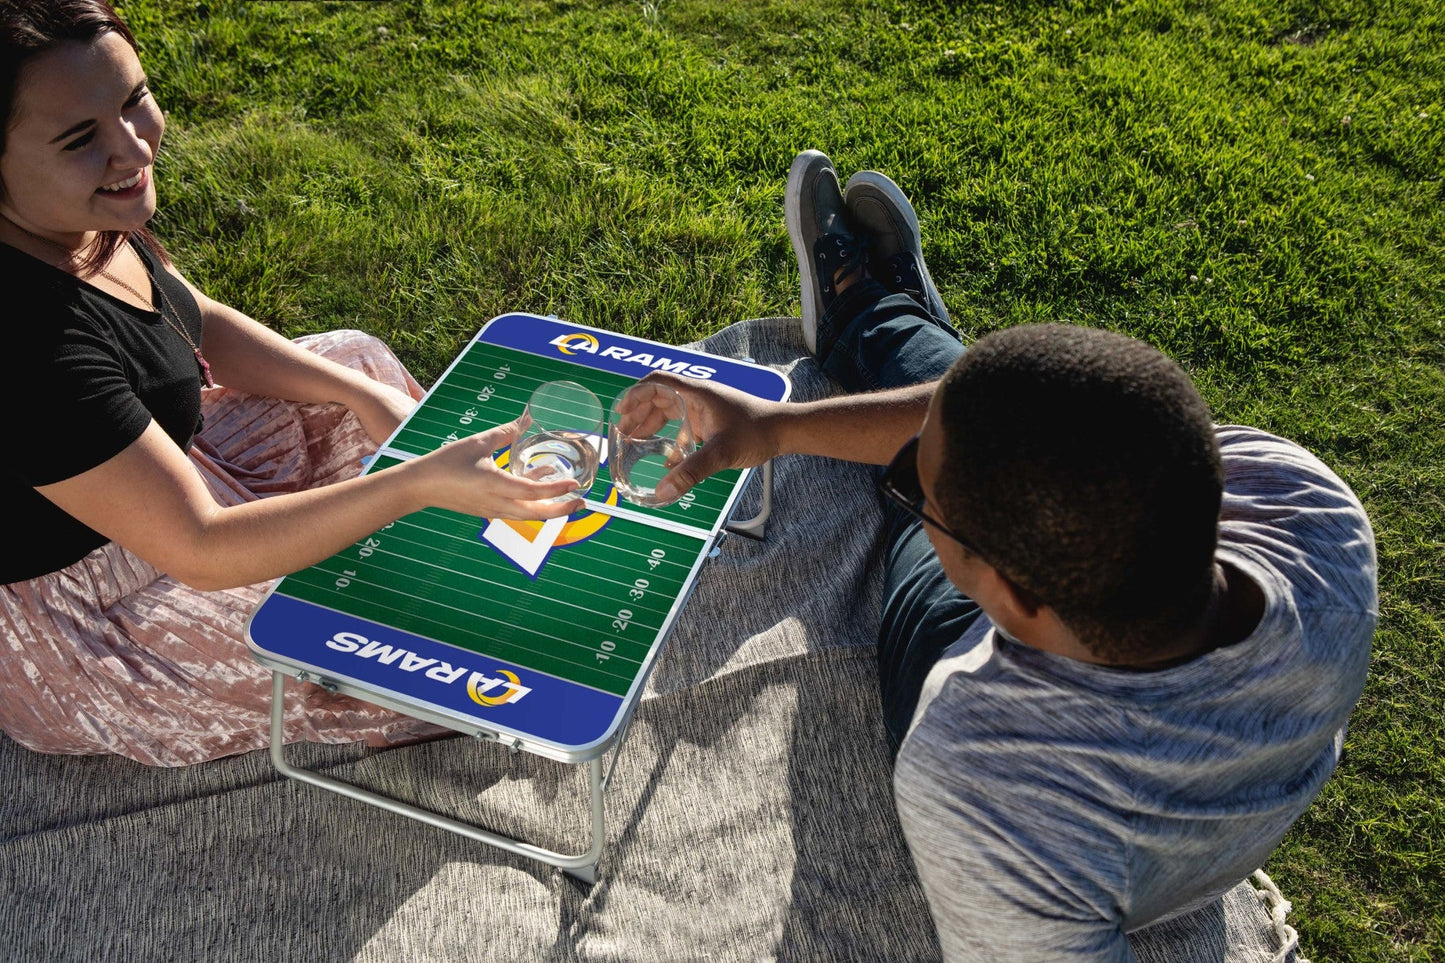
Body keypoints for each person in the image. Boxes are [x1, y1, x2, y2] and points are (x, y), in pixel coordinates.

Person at [647, 149, 1376, 960]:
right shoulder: (1308, 506)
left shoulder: (983, 774)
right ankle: (889, 324)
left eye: (917, 496)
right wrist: (772, 428)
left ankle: (877, 320)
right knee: (997, 413)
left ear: (1007, 595)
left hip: (982, 677)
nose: (909, 496)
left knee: (945, 473)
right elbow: (1054, 425)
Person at [0, 0, 582, 766]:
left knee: (353, 361)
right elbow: (200, 547)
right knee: (408, 646)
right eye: (82, 139)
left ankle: (450, 523)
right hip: (100, 617)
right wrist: (412, 484)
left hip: (176, 476)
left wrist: (362, 396)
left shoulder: (74, 219)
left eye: (134, 99)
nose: (133, 145)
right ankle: (448, 545)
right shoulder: (27, 340)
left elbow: (193, 319)